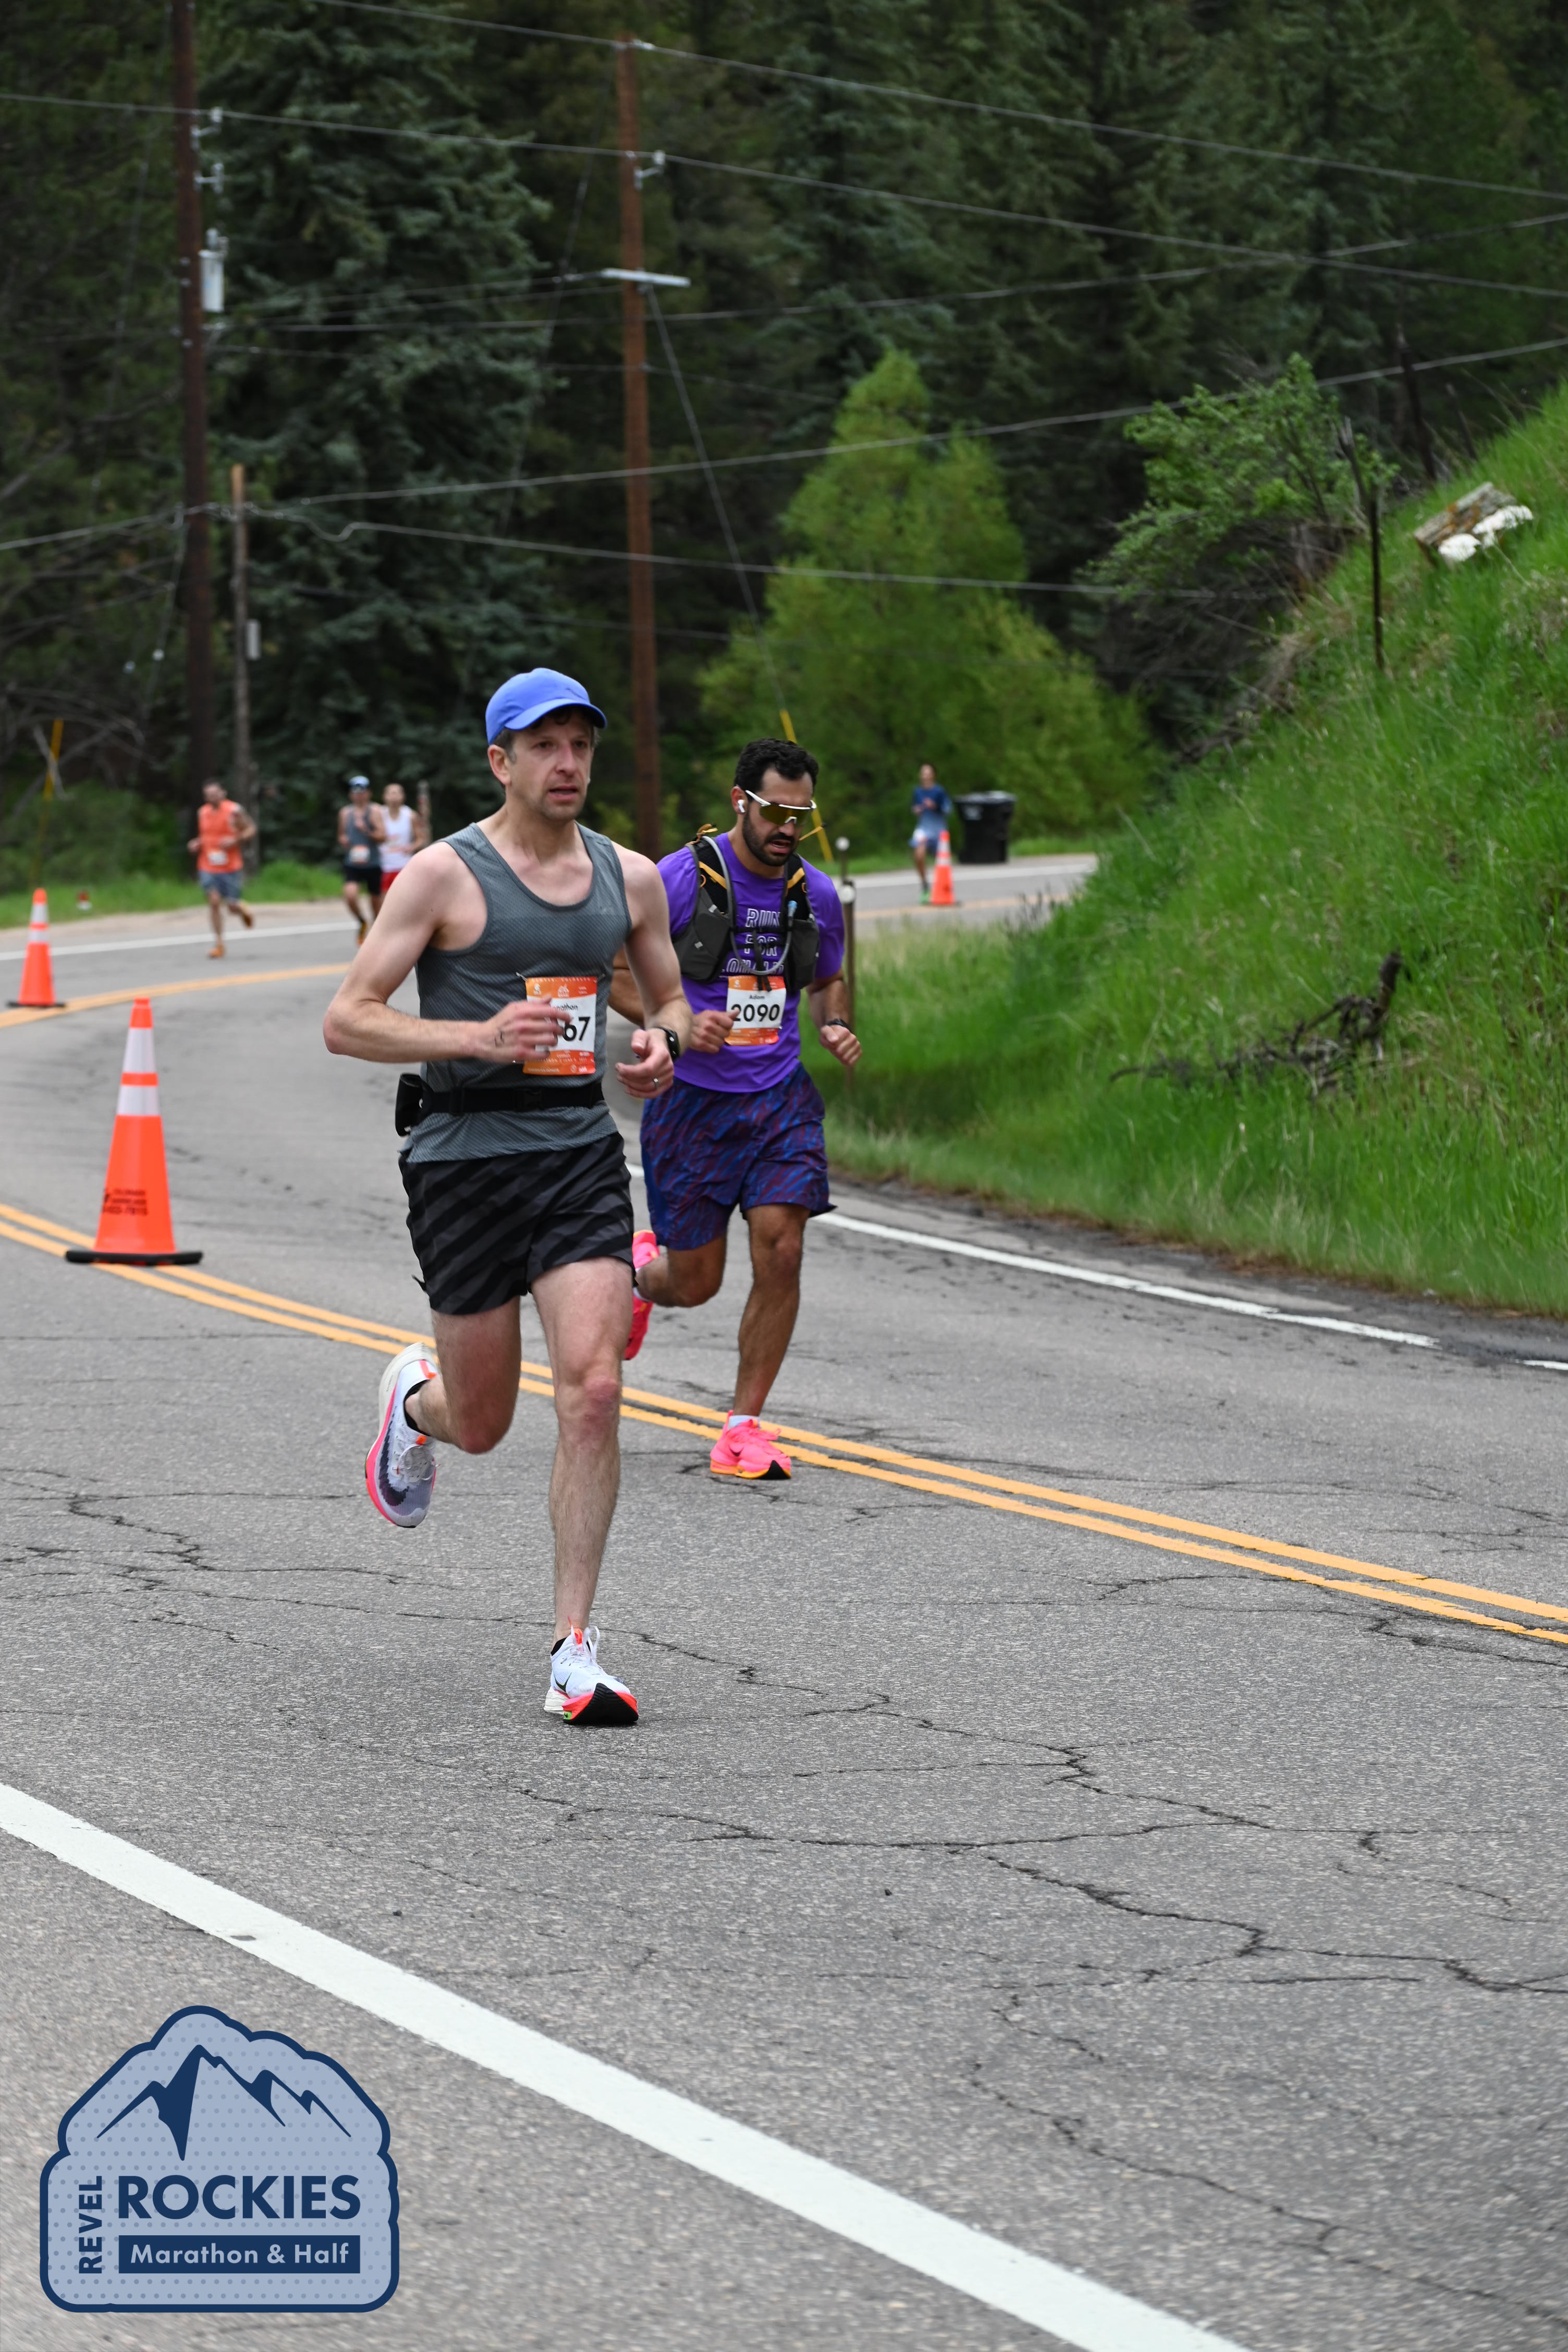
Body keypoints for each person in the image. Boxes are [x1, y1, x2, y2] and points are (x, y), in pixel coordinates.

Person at [323, 669, 691, 1726]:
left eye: (581, 744)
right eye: (544, 745)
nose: (567, 764)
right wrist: (475, 1037)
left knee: (594, 1387)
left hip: (577, 1155)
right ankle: (416, 1403)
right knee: (481, 1421)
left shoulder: (628, 878)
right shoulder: (442, 877)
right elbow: (348, 1018)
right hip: (463, 1159)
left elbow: (665, 995)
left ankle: (574, 1650)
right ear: (501, 761)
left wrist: (659, 1042)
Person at [610, 737, 861, 1482]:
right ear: (739, 801)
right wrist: (680, 1023)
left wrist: (834, 1023)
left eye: (801, 816)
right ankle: (642, 1275)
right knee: (695, 1284)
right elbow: (613, 972)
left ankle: (742, 1427)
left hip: (779, 1099)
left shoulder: (814, 893)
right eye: (776, 811)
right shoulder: (678, 879)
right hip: (691, 1103)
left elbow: (827, 979)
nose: (788, 828)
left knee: (783, 1247)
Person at [187, 777, 256, 958]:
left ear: (223, 793)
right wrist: (197, 843)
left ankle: (241, 909)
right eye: (208, 796)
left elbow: (251, 830)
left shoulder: (234, 811)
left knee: (231, 906)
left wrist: (235, 840)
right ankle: (219, 944)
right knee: (214, 902)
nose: (212, 798)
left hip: (230, 865)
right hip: (207, 865)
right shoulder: (202, 813)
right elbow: (207, 836)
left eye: (215, 794)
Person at [338, 775, 385, 942]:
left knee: (376, 904)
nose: (359, 796)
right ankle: (362, 921)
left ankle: (377, 936)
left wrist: (366, 830)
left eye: (362, 792)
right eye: (356, 792)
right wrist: (344, 840)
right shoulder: (345, 813)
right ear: (351, 794)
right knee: (350, 895)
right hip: (353, 862)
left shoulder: (376, 811)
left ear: (369, 793)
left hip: (373, 863)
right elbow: (341, 835)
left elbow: (383, 836)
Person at [374, 780, 427, 909]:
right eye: (391, 793)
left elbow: (421, 839)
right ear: (384, 796)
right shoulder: (378, 814)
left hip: (404, 865)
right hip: (383, 865)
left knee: (406, 900)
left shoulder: (410, 815)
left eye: (397, 793)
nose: (394, 797)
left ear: (403, 796)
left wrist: (411, 847)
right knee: (384, 902)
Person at [909, 761, 953, 900]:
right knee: (918, 855)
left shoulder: (939, 791)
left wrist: (935, 806)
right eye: (924, 774)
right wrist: (917, 810)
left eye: (928, 774)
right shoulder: (918, 792)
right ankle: (924, 884)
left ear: (933, 775)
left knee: (941, 862)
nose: (926, 776)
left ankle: (940, 887)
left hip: (939, 829)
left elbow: (948, 809)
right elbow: (914, 807)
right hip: (924, 828)